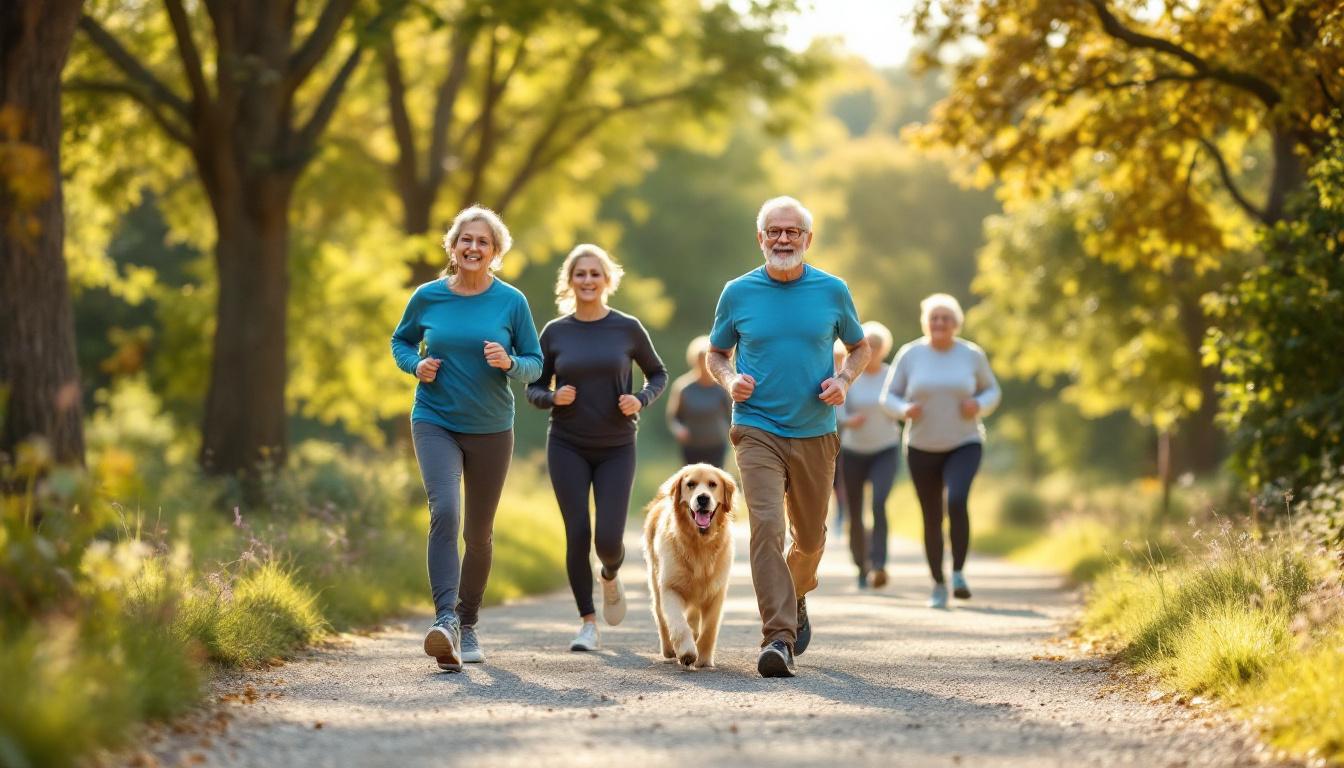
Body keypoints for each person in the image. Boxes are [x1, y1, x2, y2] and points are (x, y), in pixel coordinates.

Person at [707, 195, 869, 678]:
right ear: (760, 238)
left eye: (792, 232)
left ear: (807, 239)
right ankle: (777, 638)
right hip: (757, 427)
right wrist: (728, 380)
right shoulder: (737, 292)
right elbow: (716, 354)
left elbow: (859, 348)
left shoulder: (832, 290)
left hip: (816, 430)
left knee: (811, 540)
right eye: (774, 232)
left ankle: (796, 592)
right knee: (766, 528)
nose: (782, 239)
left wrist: (843, 381)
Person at [391, 205, 542, 672]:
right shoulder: (428, 297)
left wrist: (510, 364)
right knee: (445, 511)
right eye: (465, 240)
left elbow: (535, 362)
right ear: (452, 248)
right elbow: (400, 341)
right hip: (434, 418)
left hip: (492, 427)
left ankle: (468, 621)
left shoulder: (511, 301)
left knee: (479, 533)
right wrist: (416, 365)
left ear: (495, 252)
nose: (473, 248)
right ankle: (444, 622)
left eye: (483, 242)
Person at [527, 244, 668, 652]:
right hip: (567, 444)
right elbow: (533, 386)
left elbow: (658, 373)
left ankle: (609, 573)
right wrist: (553, 397)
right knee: (576, 533)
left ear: (607, 279)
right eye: (580, 274)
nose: (587, 281)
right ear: (569, 281)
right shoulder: (555, 332)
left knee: (607, 538)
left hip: (616, 446)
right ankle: (588, 622)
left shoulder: (627, 328)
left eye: (594, 273)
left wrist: (640, 398)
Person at [881, 293, 1001, 609]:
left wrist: (980, 403)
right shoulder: (910, 354)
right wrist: (904, 408)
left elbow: (992, 390)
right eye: (934, 318)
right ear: (927, 323)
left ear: (956, 323)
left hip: (965, 441)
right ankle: (938, 582)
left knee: (958, 499)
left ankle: (959, 573)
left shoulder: (971, 354)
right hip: (921, 446)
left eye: (945, 318)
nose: (939, 323)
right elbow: (888, 397)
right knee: (932, 515)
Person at [837, 321, 901, 590]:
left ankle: (879, 564)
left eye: (877, 345)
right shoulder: (849, 374)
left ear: (884, 349)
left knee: (879, 503)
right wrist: (849, 419)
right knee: (854, 509)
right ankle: (861, 565)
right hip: (853, 451)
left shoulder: (893, 375)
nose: (872, 350)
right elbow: (836, 405)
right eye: (867, 345)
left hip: (886, 448)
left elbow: (901, 403)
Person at [665, 335, 733, 468]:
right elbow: (673, 418)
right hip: (691, 447)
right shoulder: (683, 387)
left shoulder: (723, 388)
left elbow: (731, 416)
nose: (704, 365)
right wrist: (679, 430)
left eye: (707, 360)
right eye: (700, 360)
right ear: (694, 361)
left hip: (717, 446)